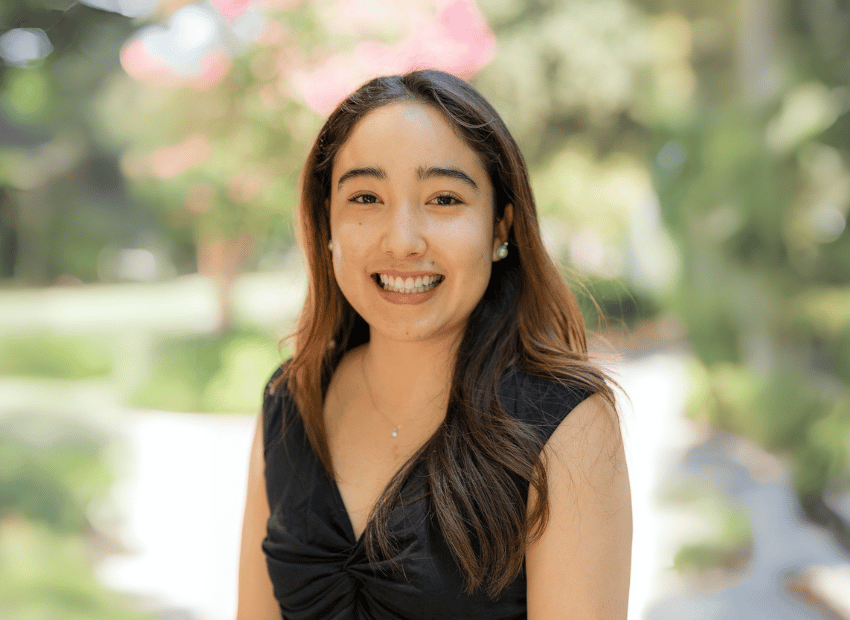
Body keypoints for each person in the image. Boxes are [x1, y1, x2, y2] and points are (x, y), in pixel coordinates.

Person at [236, 69, 632, 620]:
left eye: (444, 199)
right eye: (367, 197)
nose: (402, 240)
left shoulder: (568, 426)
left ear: (501, 228)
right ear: (326, 225)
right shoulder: (290, 400)